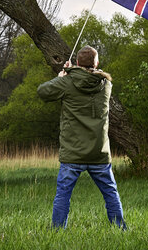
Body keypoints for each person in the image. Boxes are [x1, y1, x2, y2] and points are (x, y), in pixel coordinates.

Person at [37, 45, 126, 230]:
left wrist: (62, 76)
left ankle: (57, 230)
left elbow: (43, 91)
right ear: (97, 63)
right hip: (99, 152)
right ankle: (119, 229)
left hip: (73, 152)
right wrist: (73, 73)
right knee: (111, 193)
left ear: (77, 62)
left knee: (63, 194)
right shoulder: (106, 85)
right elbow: (93, 76)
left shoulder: (67, 83)